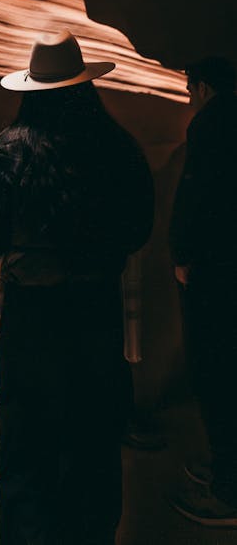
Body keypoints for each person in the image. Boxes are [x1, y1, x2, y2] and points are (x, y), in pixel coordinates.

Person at [0, 31, 154, 545]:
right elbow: (138, 229)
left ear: (31, 89)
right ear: (85, 87)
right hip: (95, 313)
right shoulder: (116, 147)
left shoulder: (9, 150)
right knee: (93, 440)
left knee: (27, 448)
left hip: (32, 320)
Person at [169, 55, 237, 526]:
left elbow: (197, 197)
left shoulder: (211, 125)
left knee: (217, 373)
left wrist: (181, 254)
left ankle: (228, 494)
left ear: (204, 87)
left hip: (217, 271)